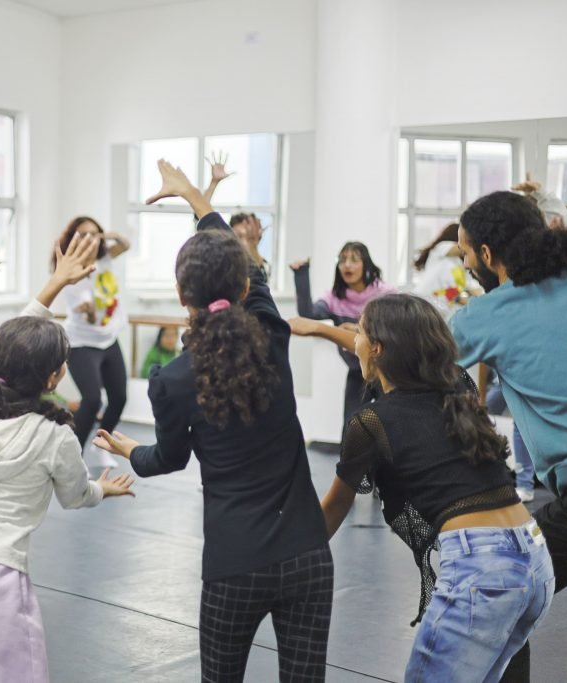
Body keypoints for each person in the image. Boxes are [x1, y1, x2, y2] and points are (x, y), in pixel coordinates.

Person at [95, 160, 333, 682]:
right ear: (246, 288)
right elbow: (241, 261)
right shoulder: (272, 331)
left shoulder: (172, 380)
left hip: (234, 563)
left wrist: (129, 451)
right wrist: (196, 201)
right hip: (308, 555)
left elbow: (169, 460)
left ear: (182, 298)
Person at [0, 232, 136, 683]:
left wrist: (53, 283)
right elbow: (76, 496)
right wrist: (104, 488)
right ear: (56, 375)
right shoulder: (55, 435)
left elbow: (9, 343)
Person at [320, 294, 553, 683]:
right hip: (534, 555)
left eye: (357, 331)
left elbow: (331, 511)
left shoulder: (372, 421)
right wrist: (317, 328)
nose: (353, 340)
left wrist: (281, 557)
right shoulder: (456, 397)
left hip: (483, 569)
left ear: (376, 348)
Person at [449, 190, 567, 683]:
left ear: (487, 255)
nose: (465, 263)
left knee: (499, 592)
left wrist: (325, 330)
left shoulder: (489, 315)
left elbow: (409, 357)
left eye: (465, 253)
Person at [290, 242, 393, 433]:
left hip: (385, 372)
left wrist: (357, 328)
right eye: (342, 260)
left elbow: (396, 329)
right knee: (350, 425)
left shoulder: (384, 294)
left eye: (354, 260)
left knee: (391, 423)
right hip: (357, 371)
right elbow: (308, 314)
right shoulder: (334, 298)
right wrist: (301, 275)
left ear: (366, 264)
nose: (347, 265)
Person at [55, 216, 131, 453]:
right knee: (92, 399)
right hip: (81, 342)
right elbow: (87, 315)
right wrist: (87, 311)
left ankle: (103, 444)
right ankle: (73, 452)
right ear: (73, 240)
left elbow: (125, 245)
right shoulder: (71, 271)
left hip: (107, 339)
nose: (90, 239)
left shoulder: (105, 259)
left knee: (119, 398)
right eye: (83, 234)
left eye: (94, 233)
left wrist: (112, 236)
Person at [411, 222, 474, 319]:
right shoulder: (441, 249)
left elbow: (459, 292)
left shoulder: (461, 265)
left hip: (439, 310)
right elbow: (461, 249)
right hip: (422, 304)